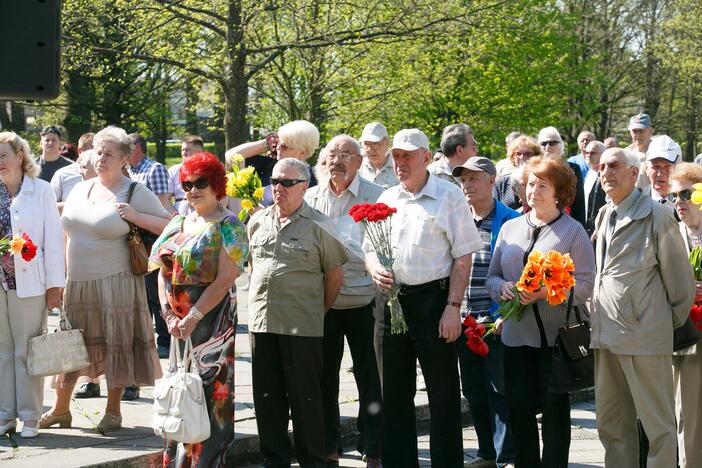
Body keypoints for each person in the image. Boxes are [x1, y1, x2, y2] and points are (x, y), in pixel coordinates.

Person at [40, 126, 171, 433]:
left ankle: (113, 411)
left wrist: (136, 217)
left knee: (117, 345)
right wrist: (57, 279)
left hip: (117, 282)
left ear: (125, 158)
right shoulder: (80, 188)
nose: (101, 159)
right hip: (77, 283)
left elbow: (171, 224)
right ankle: (61, 410)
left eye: (109, 153)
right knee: (69, 346)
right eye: (98, 152)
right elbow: (65, 233)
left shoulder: (135, 191)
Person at [365, 128, 482, 467]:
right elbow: (369, 247)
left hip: (435, 303)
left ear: (426, 158)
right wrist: (373, 267)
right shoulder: (387, 198)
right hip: (392, 304)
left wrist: (453, 308)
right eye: (397, 156)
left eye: (408, 156)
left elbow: (464, 256)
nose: (400, 162)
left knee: (442, 394)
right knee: (393, 396)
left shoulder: (448, 195)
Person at [486, 156, 596, 467]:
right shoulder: (510, 227)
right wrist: (502, 288)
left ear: (559, 192)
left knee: (554, 413)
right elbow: (492, 276)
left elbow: (586, 285)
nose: (533, 190)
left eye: (542, 185)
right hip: (516, 338)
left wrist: (546, 292)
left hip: (556, 339)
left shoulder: (573, 232)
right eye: (531, 183)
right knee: (518, 408)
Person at [590, 147, 694, 468]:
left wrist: (655, 322)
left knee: (658, 427)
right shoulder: (605, 214)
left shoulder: (658, 215)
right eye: (603, 166)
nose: (606, 171)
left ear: (635, 174)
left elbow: (681, 285)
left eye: (615, 165)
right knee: (612, 426)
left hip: (645, 338)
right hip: (606, 337)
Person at [248, 158, 348, 467]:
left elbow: (335, 278)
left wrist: (316, 311)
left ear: (304, 187)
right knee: (267, 399)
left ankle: (312, 461)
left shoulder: (320, 225)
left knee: (305, 399)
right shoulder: (258, 220)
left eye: (287, 183)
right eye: (275, 181)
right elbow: (254, 267)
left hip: (302, 326)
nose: (278, 188)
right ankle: (274, 459)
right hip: (262, 323)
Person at [150, 152, 248, 467]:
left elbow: (224, 280)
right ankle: (177, 461)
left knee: (210, 394)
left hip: (212, 324)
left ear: (217, 185)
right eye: (188, 183)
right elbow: (161, 272)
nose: (193, 190)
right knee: (179, 393)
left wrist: (192, 317)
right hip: (177, 326)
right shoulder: (178, 221)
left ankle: (206, 463)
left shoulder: (230, 225)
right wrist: (168, 314)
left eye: (201, 183)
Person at [304, 135, 384, 467]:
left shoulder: (376, 196)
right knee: (324, 378)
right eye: (331, 154)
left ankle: (373, 448)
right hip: (324, 301)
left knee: (371, 377)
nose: (337, 160)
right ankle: (328, 447)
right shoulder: (310, 196)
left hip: (366, 298)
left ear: (359, 161)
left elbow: (382, 248)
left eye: (345, 154)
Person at [452, 157, 518, 468]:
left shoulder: (512, 220)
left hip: (497, 319)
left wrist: (507, 311)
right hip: (464, 319)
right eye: (463, 179)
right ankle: (485, 454)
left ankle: (507, 455)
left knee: (501, 389)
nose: (467, 184)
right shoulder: (456, 218)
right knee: (475, 391)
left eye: (474, 178)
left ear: (492, 181)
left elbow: (519, 271)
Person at [0, 132, 65, 438]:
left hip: (29, 283)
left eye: (3, 155)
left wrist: (55, 285)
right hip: (0, 283)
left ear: (20, 157)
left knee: (27, 350)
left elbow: (53, 239)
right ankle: (5, 415)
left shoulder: (41, 190)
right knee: (3, 351)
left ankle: (30, 416)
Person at [122, 132, 173, 400]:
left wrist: (137, 217)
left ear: (137, 148)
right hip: (130, 247)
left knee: (154, 298)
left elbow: (164, 209)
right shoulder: (126, 172)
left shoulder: (154, 170)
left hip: (150, 243)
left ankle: (164, 341)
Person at [668, 163, 702, 468]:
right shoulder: (669, 233)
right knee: (685, 410)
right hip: (681, 331)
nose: (678, 202)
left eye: (685, 194)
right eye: (672, 196)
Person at [225, 120, 320, 206]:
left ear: (302, 152)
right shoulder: (271, 164)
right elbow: (232, 157)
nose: (278, 148)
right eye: (278, 143)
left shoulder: (311, 181)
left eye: (284, 146)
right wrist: (268, 143)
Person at [536, 126, 586, 227]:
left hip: (566, 222)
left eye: (552, 143)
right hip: (538, 220)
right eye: (543, 143)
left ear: (561, 146)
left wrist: (581, 228)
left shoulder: (573, 168)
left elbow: (579, 203)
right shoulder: (534, 169)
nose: (547, 147)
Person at [493, 135, 542, 210]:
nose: (522, 157)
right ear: (512, 156)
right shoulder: (501, 183)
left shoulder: (541, 180)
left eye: (527, 153)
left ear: (536, 155)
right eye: (518, 153)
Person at [167, 135, 205, 215]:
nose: (184, 153)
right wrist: (173, 213)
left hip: (203, 210)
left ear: (199, 152)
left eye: (187, 150)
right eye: (182, 150)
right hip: (180, 212)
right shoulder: (174, 170)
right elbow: (166, 198)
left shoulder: (208, 170)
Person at [642, 135, 681, 207]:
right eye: (656, 167)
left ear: (679, 169)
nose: (660, 174)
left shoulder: (691, 201)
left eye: (667, 167)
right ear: (646, 168)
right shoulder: (635, 201)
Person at [358, 122, 398, 189]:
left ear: (387, 142)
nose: (370, 149)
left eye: (375, 144)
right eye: (366, 144)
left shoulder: (399, 166)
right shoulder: (358, 166)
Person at [582, 140, 608, 236]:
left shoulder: (606, 175)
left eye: (593, 153)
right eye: (587, 152)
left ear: (603, 154)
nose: (588, 155)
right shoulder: (589, 174)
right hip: (587, 227)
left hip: (600, 228)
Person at [626, 113, 654, 188]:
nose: (638, 135)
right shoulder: (626, 154)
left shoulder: (659, 152)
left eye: (641, 130)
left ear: (650, 131)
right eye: (634, 131)